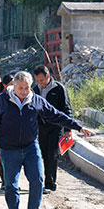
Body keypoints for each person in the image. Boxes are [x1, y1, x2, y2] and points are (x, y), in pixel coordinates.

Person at [0, 71, 95, 209]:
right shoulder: (2, 101)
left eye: (27, 88)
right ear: (14, 86)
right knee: (11, 185)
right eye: (20, 88)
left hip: (30, 147)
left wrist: (78, 127)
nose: (23, 91)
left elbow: (56, 115)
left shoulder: (35, 100)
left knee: (37, 180)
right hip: (8, 148)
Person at [33, 65, 74, 194]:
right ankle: (41, 181)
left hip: (55, 128)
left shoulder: (59, 89)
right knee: (41, 155)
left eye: (42, 81)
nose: (40, 83)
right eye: (38, 81)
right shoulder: (35, 90)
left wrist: (67, 128)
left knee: (52, 155)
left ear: (48, 77)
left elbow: (66, 108)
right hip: (40, 128)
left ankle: (50, 184)